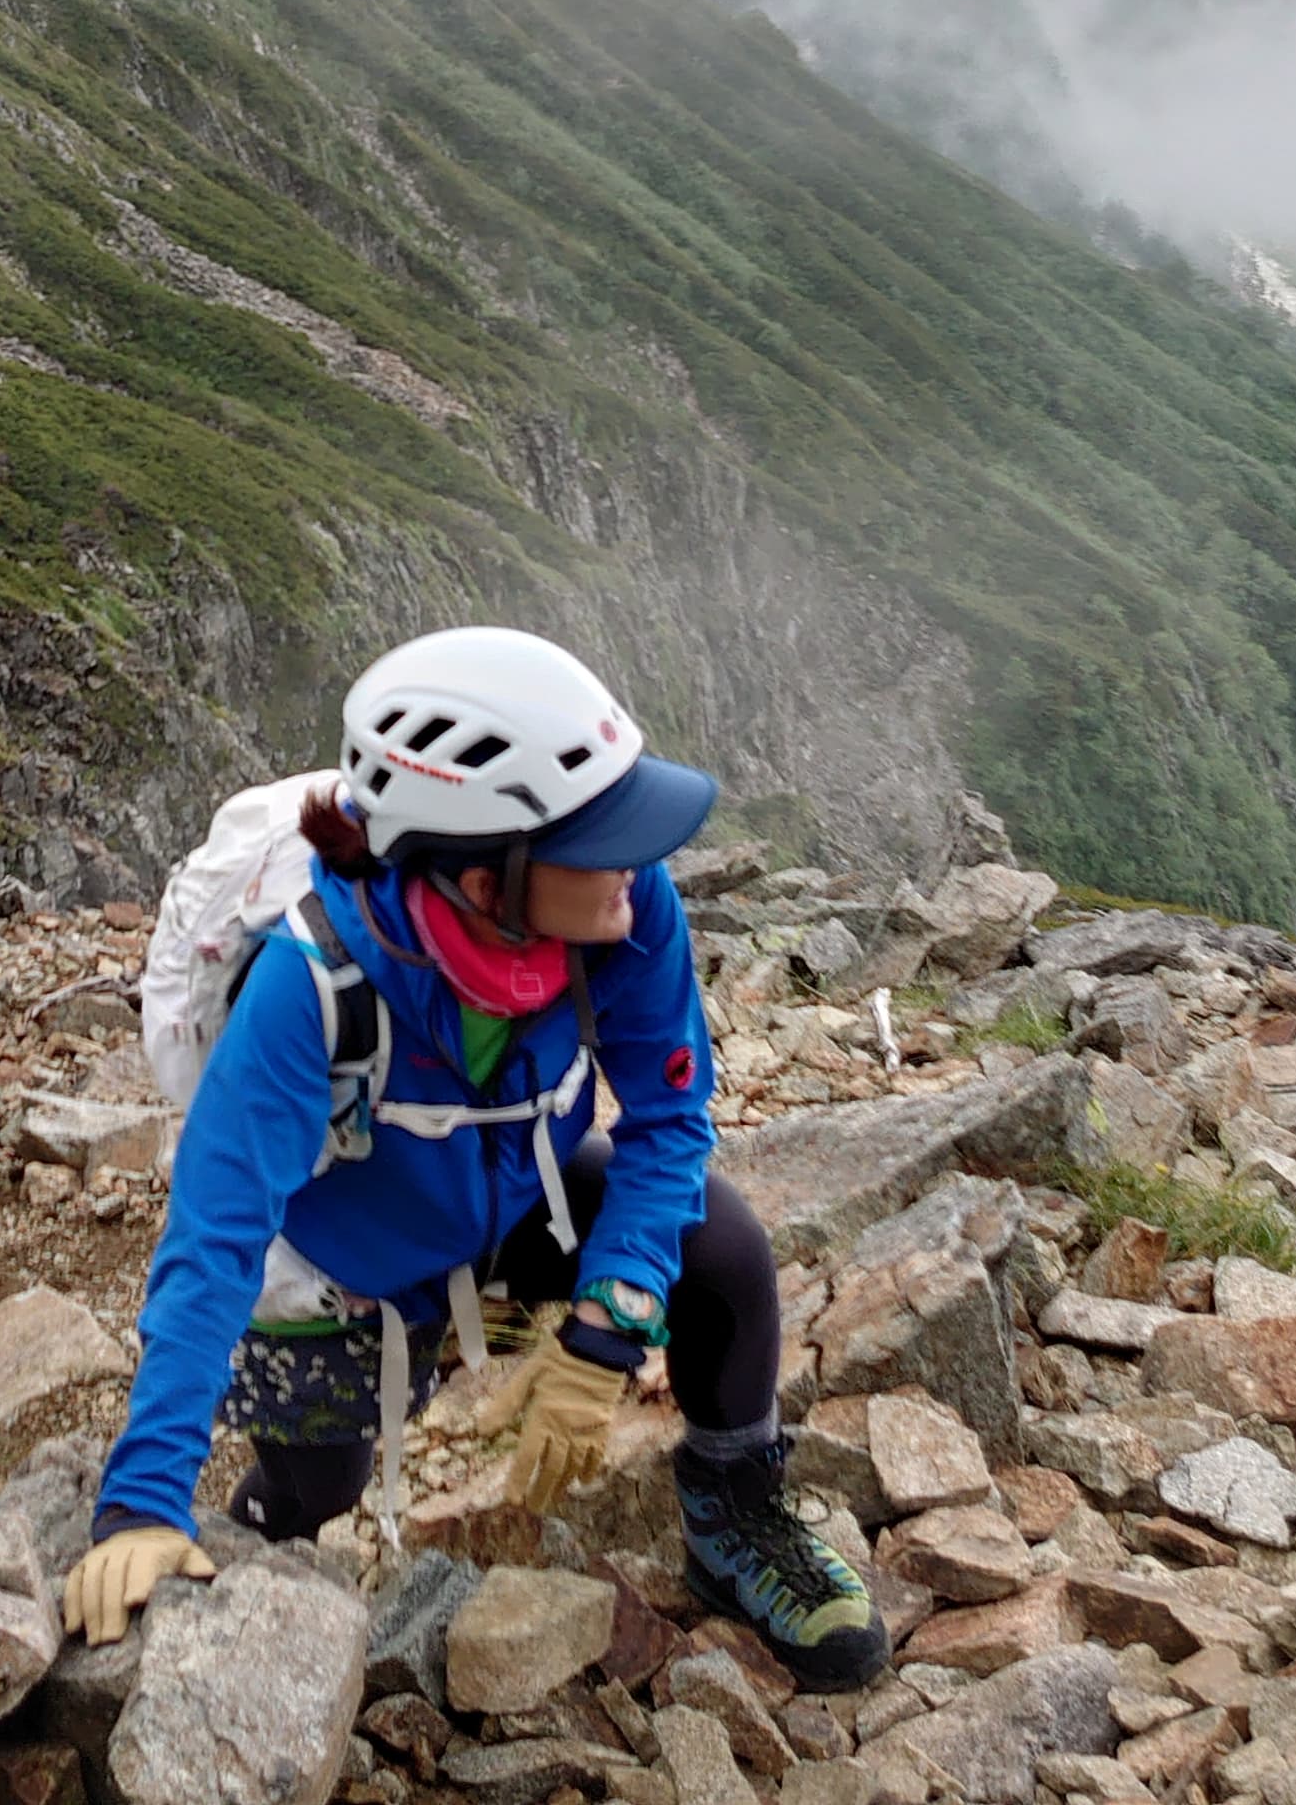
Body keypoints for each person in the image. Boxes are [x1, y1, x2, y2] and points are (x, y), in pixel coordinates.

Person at [61, 626, 881, 1688]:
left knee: (721, 1254)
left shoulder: (626, 913)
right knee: (320, 1486)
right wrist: (141, 1500)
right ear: (488, 880)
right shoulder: (306, 986)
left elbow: (668, 1123)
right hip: (333, 1250)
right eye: (605, 834)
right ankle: (265, 1524)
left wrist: (610, 1323)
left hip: (508, 1195)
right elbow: (216, 1236)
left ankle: (736, 1520)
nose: (641, 857)